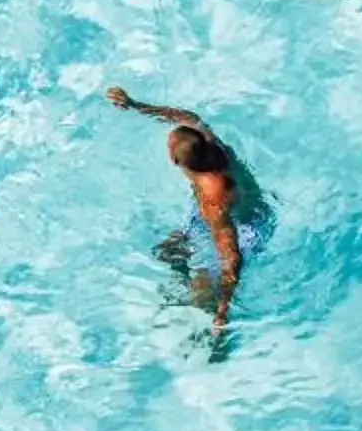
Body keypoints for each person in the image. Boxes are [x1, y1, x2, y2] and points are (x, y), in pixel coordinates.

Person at [106, 85, 268, 340]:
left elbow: (231, 255)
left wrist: (223, 308)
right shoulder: (210, 145)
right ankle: (188, 292)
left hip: (245, 228)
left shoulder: (212, 199)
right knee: (168, 251)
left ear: (173, 158)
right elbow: (184, 117)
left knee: (204, 287)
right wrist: (135, 105)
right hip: (228, 213)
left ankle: (212, 329)